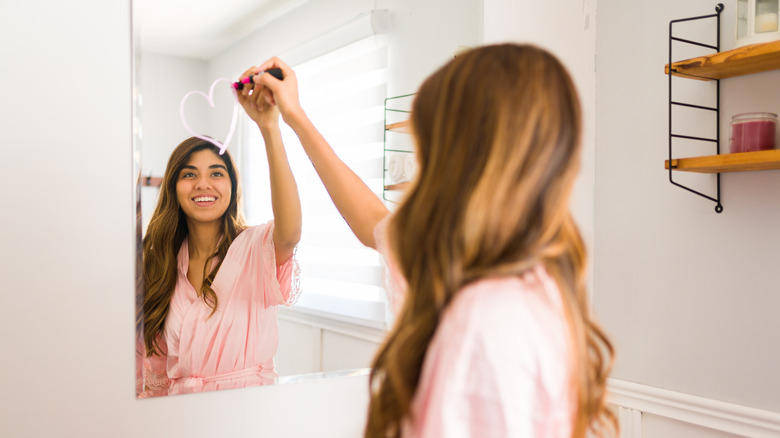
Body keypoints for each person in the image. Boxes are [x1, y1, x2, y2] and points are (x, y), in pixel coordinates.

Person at [242, 43, 617, 437]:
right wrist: (292, 117)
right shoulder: (478, 264)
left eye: (429, 149)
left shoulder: (489, 321)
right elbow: (371, 222)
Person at [135, 74, 302, 397]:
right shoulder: (160, 261)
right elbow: (151, 371)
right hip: (179, 419)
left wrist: (269, 128)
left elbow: (291, 230)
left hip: (248, 415)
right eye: (189, 174)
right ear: (173, 187)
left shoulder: (256, 249)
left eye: (216, 173)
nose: (203, 184)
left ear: (232, 186)